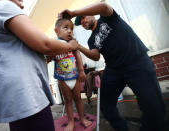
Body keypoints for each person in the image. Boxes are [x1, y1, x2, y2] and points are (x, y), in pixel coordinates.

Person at [59, 2, 166, 131]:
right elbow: (95, 56)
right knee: (105, 105)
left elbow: (103, 7)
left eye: (83, 17)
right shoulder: (91, 39)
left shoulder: (107, 18)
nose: (82, 22)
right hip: (114, 70)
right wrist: (79, 46)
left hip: (137, 62)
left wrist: (74, 13)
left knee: (153, 106)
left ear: (92, 14)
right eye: (80, 22)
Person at [0, 0, 79, 131]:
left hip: (18, 96)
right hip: (25, 94)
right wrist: (70, 46)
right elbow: (45, 44)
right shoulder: (2, 5)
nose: (22, 3)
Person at [47, 18, 92, 131]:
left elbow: (78, 56)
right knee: (67, 101)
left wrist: (81, 70)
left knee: (78, 99)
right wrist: (51, 52)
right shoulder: (54, 43)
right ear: (56, 31)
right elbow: (49, 58)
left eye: (71, 28)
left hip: (74, 76)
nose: (69, 31)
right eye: (65, 28)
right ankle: (71, 121)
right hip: (62, 78)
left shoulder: (73, 42)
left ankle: (82, 118)